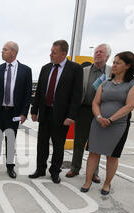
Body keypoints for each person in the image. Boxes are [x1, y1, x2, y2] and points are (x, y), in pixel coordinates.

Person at [80, 51, 134, 195]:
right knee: (93, 153)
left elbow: (129, 106)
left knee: (112, 156)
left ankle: (107, 184)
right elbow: (96, 102)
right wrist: (100, 117)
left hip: (117, 126)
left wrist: (110, 119)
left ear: (128, 66)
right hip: (98, 123)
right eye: (113, 62)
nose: (113, 65)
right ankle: (87, 181)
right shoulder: (105, 82)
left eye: (118, 63)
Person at [29, 40, 83, 183]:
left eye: (54, 52)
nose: (50, 54)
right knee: (42, 144)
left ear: (63, 54)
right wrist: (34, 111)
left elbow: (77, 95)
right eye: (51, 51)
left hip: (62, 115)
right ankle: (40, 169)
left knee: (58, 145)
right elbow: (39, 91)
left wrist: (71, 116)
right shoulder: (45, 68)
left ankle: (54, 171)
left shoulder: (75, 69)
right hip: (45, 112)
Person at [66, 44, 112, 183]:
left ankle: (94, 172)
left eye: (101, 52)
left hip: (101, 112)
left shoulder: (111, 72)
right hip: (84, 110)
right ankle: (75, 167)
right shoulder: (84, 71)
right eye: (96, 51)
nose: (98, 54)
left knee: (96, 144)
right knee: (79, 141)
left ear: (107, 56)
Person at [0, 41, 32, 178]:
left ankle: (10, 167)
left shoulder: (26, 70)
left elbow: (27, 94)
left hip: (14, 113)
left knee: (10, 141)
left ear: (13, 52)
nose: (2, 52)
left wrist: (24, 113)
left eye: (4, 50)